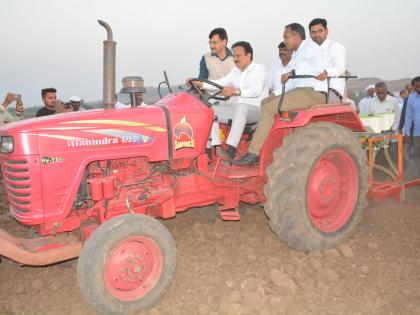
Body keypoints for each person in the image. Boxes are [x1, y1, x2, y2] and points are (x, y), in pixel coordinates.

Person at [235, 23, 326, 166]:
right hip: (300, 91)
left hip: (313, 92)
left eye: (286, 37)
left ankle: (254, 152)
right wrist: (275, 94)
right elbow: (292, 84)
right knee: (266, 103)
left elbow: (318, 69)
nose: (284, 41)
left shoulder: (311, 48)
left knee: (269, 109)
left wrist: (292, 73)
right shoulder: (296, 54)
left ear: (296, 36)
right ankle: (265, 143)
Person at [191, 41, 267, 161]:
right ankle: (215, 147)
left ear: (248, 55)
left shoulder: (259, 70)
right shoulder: (235, 72)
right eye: (234, 56)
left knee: (241, 107)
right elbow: (218, 83)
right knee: (210, 110)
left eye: (238, 56)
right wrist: (200, 83)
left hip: (256, 110)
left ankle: (231, 151)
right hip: (237, 110)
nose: (235, 59)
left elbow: (256, 91)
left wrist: (235, 91)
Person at [309, 18, 346, 103]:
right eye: (313, 32)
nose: (316, 34)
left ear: (327, 31)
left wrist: (326, 73)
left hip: (330, 91)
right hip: (312, 90)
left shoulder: (336, 47)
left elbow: (340, 68)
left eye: (320, 31)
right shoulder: (309, 50)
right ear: (310, 34)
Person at [404, 76, 420, 175]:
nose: (419, 89)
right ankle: (417, 178)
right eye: (417, 87)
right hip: (416, 133)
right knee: (415, 156)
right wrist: (407, 133)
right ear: (413, 87)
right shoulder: (411, 99)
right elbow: (408, 116)